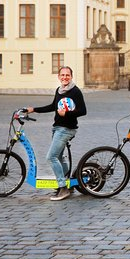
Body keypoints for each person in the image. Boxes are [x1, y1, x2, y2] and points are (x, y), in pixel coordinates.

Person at [26, 66, 86, 201]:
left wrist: (67, 113)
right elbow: (53, 106)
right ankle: (68, 184)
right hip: (57, 128)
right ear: (59, 77)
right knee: (58, 158)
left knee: (51, 157)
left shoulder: (75, 91)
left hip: (67, 129)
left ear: (71, 76)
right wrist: (33, 109)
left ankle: (63, 188)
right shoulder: (59, 90)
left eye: (67, 75)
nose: (65, 77)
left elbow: (83, 111)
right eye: (62, 75)